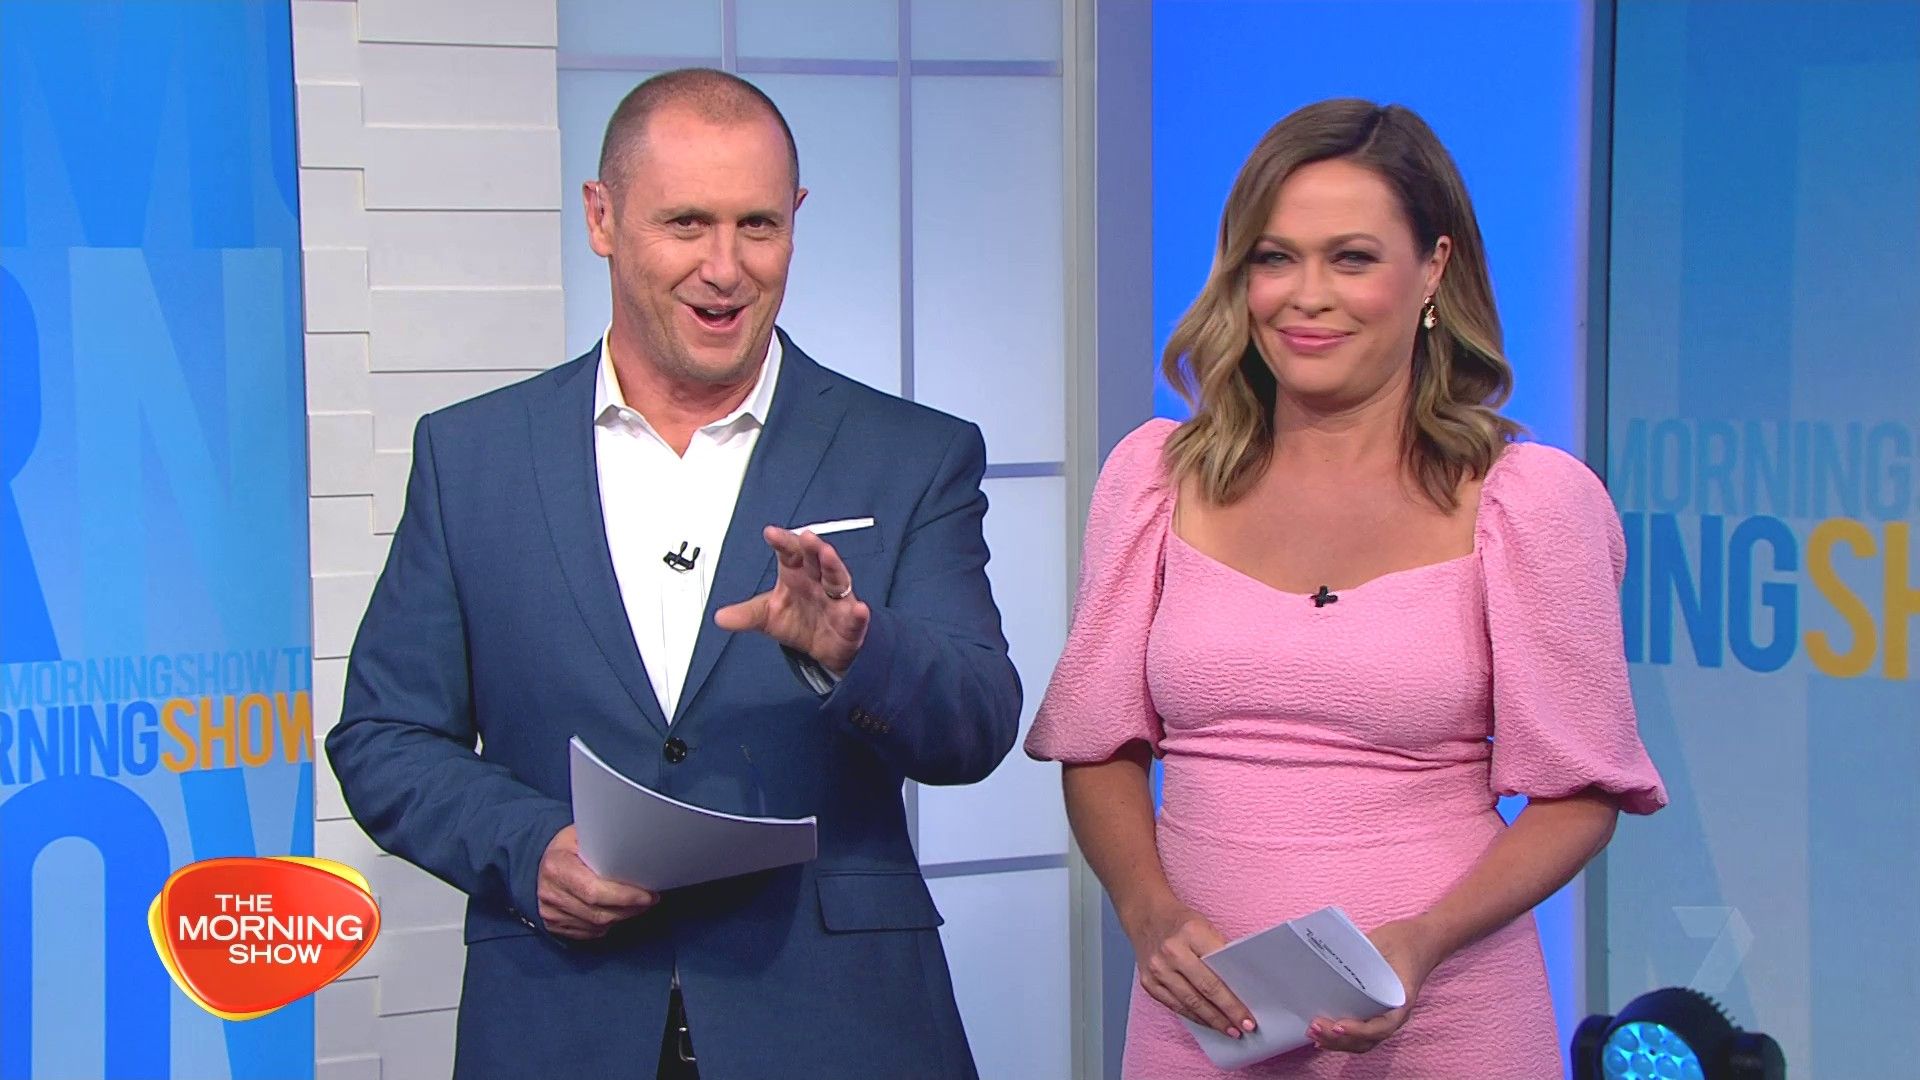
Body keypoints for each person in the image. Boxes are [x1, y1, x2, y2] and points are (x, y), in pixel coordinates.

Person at [326, 68, 1020, 1080]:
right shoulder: (471, 457)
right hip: (561, 1026)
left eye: (758, 226)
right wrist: (529, 849)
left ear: (797, 221)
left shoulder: (914, 453)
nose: (725, 268)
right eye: (687, 223)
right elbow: (385, 736)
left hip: (840, 1028)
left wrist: (855, 652)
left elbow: (980, 724)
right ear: (602, 218)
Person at [1024, 99, 1667, 1077]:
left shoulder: (1529, 502)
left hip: (1445, 1017)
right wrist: (1148, 914)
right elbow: (1097, 745)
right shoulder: (1152, 480)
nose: (1307, 296)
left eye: (1352, 259)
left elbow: (1580, 792)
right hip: (1201, 1021)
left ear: (1434, 269)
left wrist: (1423, 941)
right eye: (1275, 259)